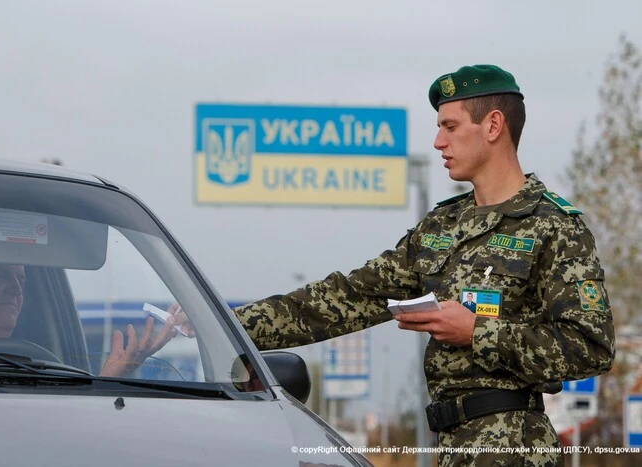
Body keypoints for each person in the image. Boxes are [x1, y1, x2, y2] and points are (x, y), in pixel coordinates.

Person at [233, 64, 615, 466]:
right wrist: (226, 326)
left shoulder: (553, 226)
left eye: (450, 127)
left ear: (493, 125)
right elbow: (343, 299)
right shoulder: (441, 225)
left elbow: (590, 347)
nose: (437, 141)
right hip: (449, 446)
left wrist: (476, 331)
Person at [0, 260, 190, 378]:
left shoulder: (41, 368)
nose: (16, 289)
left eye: (21, 280)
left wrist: (108, 380)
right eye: (0, 275)